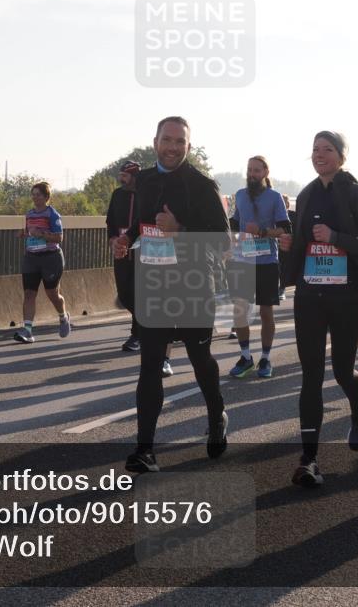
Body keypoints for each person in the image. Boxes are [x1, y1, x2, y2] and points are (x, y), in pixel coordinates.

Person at [112, 117, 229, 473]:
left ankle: (216, 414)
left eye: (180, 141)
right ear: (155, 142)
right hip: (154, 285)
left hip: (193, 285)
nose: (173, 146)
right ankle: (145, 449)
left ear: (188, 146)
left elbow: (223, 240)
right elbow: (143, 223)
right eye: (167, 140)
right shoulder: (144, 181)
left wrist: (179, 230)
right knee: (150, 366)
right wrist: (127, 239)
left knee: (200, 361)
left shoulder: (202, 185)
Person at [279, 131, 358, 487]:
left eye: (327, 150)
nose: (319, 155)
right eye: (315, 150)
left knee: (342, 371)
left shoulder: (355, 192)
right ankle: (309, 459)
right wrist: (290, 244)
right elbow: (304, 245)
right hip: (311, 295)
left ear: (342, 156)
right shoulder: (307, 193)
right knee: (310, 374)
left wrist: (337, 238)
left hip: (347, 296)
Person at [227, 157, 291, 379]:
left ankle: (265, 358)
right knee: (240, 311)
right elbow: (236, 221)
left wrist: (263, 232)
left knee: (266, 311)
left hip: (267, 261)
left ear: (265, 172)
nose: (252, 174)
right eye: (249, 170)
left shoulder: (274, 197)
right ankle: (246, 357)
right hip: (242, 260)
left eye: (256, 170)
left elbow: (284, 228)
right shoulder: (240, 195)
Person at [14, 182, 70, 343]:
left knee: (52, 294)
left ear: (46, 197)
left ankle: (63, 316)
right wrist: (23, 234)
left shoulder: (53, 214)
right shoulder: (29, 214)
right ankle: (28, 331)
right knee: (29, 294)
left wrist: (42, 234)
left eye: (38, 194)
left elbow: (59, 237)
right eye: (33, 194)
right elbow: (29, 231)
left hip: (51, 258)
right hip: (31, 258)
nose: (35, 197)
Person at [107, 160, 141, 353]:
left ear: (134, 177)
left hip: (142, 251)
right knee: (124, 294)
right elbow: (110, 219)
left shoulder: (147, 195)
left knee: (138, 292)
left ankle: (136, 334)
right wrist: (112, 238)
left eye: (125, 176)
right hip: (121, 249)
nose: (121, 179)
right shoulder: (117, 194)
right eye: (121, 176)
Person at [278, 194, 298, 300]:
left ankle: (282, 289)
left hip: (290, 247)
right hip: (276, 245)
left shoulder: (294, 215)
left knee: (285, 267)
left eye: (283, 202)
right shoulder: (274, 216)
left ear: (287, 204)